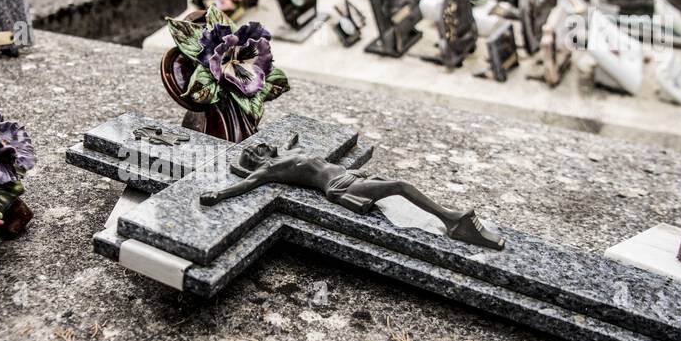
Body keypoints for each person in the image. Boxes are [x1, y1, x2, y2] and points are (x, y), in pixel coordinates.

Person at [199, 135, 505, 251]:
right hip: (341, 187)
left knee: (397, 193)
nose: (261, 145)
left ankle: (448, 219)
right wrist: (218, 194)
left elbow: (294, 147)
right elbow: (246, 184)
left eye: (259, 144)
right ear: (256, 159)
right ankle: (452, 220)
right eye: (255, 150)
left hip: (350, 175)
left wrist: (291, 141)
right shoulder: (269, 170)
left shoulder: (286, 155)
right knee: (400, 186)